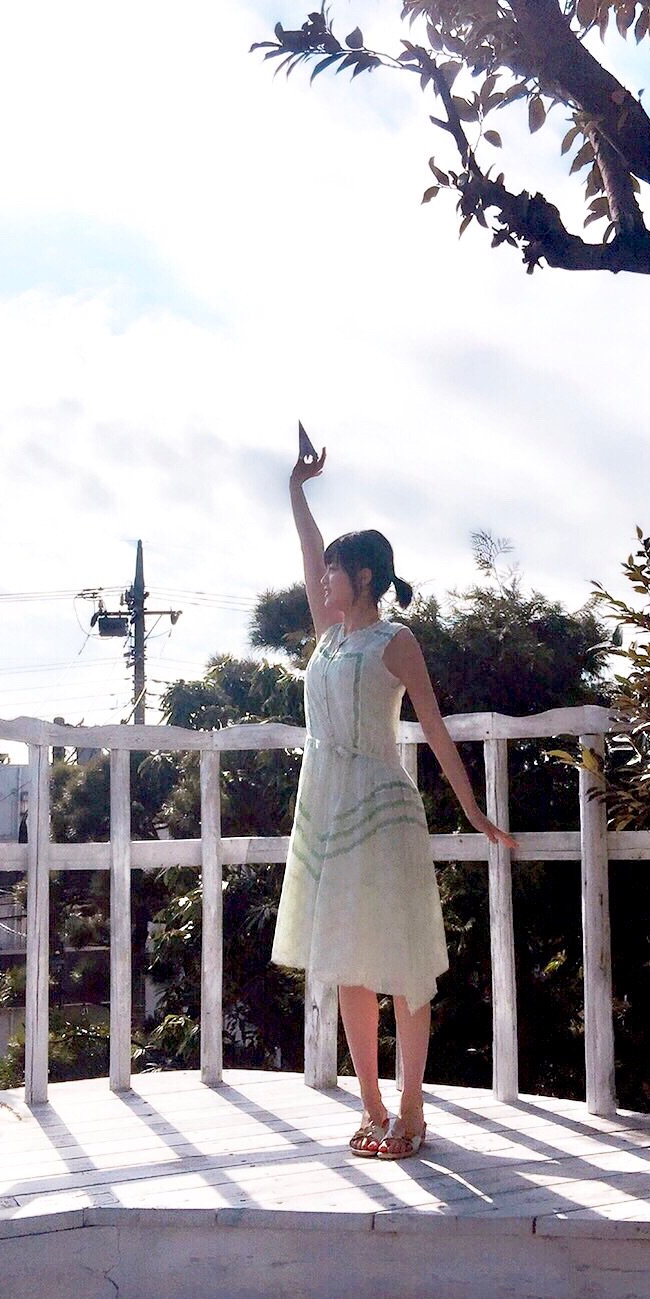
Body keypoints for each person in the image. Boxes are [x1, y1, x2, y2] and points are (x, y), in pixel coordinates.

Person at [271, 430, 517, 1160]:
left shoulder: (393, 642)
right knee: (347, 962)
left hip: (381, 809)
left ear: (366, 576)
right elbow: (305, 553)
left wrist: (472, 809)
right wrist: (295, 490)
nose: (323, 578)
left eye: (336, 569)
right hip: (326, 808)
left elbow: (434, 730)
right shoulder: (328, 637)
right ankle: (372, 1108)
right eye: (324, 569)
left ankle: (412, 1111)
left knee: (402, 961)